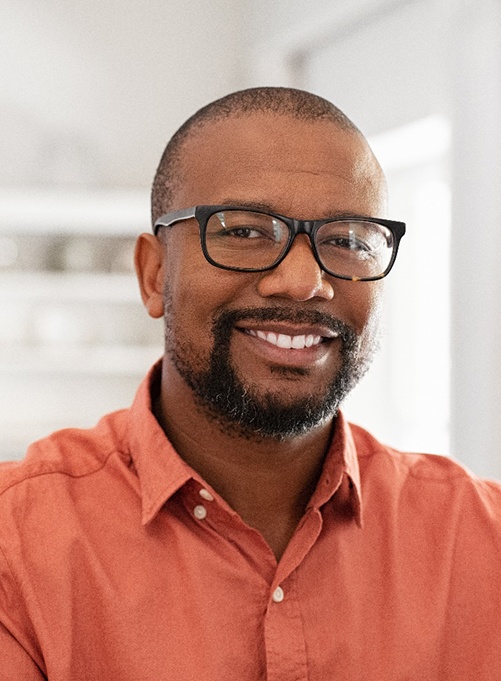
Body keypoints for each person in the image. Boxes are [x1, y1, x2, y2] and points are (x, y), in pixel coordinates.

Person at [1, 87, 500, 681]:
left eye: (346, 241)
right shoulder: (18, 546)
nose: (301, 281)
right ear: (154, 273)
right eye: (244, 232)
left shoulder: (481, 542)